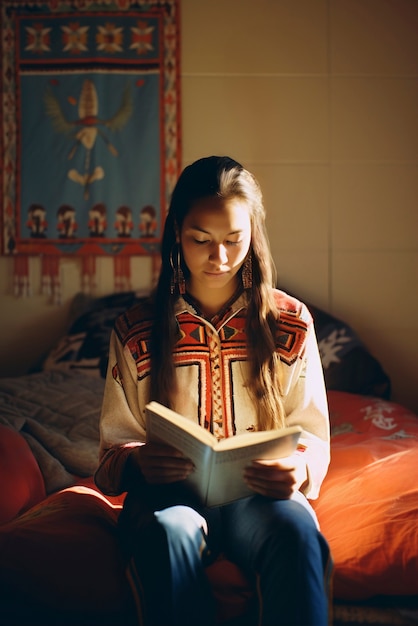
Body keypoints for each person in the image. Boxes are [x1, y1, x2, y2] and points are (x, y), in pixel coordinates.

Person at [95, 156, 332, 626]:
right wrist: (140, 460)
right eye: (200, 240)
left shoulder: (290, 324)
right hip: (169, 498)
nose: (218, 257)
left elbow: (312, 432)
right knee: (167, 533)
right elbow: (110, 454)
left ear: (254, 235)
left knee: (297, 535)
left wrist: (299, 466)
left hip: (260, 497)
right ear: (176, 234)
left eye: (233, 240)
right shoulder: (136, 330)